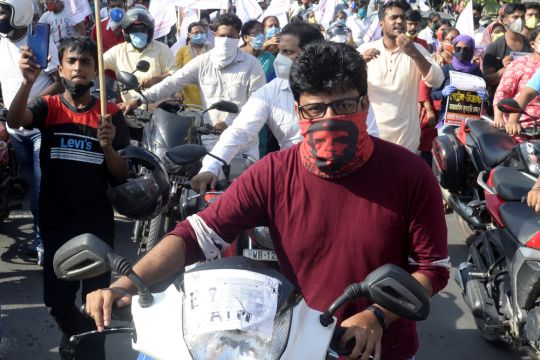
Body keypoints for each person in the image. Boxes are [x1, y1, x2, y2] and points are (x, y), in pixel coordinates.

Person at [86, 40, 449, 360]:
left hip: (379, 348)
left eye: (343, 106)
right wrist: (125, 284)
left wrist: (377, 316)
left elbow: (432, 268)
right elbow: (197, 234)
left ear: (365, 103)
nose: (330, 119)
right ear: (297, 112)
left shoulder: (409, 173)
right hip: (296, 343)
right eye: (315, 110)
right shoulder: (274, 172)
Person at [7, 36, 130, 360]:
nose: (78, 68)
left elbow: (121, 173)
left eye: (85, 63)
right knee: (58, 302)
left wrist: (107, 146)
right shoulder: (48, 107)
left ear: (95, 71)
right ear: (60, 68)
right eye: (72, 62)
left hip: (96, 225)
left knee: (97, 306)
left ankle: (90, 352)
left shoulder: (111, 114)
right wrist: (27, 84)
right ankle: (73, 334)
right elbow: (15, 121)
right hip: (56, 224)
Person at [191, 22, 376, 193]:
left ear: (310, 53)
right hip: (295, 182)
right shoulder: (271, 92)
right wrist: (210, 167)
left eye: (287, 52)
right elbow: (239, 131)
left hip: (349, 180)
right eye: (279, 51)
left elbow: (371, 135)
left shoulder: (342, 88)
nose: (279, 59)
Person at [120, 13, 266, 154]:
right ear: (215, 35)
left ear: (238, 38)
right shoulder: (202, 62)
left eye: (231, 36)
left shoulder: (252, 65)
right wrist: (138, 100)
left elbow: (256, 104)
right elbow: (172, 82)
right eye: (222, 35)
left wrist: (228, 122)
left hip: (243, 142)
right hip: (211, 139)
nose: (226, 40)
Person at [0, 0, 63, 266]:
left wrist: (28, 106)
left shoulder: (41, 38)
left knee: (40, 189)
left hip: (40, 127)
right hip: (14, 129)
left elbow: (59, 83)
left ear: (20, 11)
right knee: (31, 188)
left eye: (3, 10)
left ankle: (44, 244)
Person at [358, 0, 444, 153]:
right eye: (394, 18)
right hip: (371, 138)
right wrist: (359, 63)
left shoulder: (417, 49)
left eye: (403, 18)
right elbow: (343, 84)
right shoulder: (364, 50)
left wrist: (413, 53)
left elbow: (437, 80)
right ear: (381, 24)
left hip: (406, 142)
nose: (399, 21)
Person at [103, 6, 177, 102]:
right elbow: (98, 65)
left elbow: (175, 75)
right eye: (134, 31)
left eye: (142, 31)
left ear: (149, 32)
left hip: (159, 108)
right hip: (130, 110)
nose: (138, 33)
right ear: (126, 33)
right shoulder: (118, 51)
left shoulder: (162, 49)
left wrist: (155, 79)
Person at [430, 35, 486, 135]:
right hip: (448, 121)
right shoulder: (446, 69)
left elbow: (484, 96)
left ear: (472, 50)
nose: (462, 51)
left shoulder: (476, 71)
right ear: (454, 49)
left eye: (466, 49)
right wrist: (443, 93)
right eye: (458, 48)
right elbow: (434, 94)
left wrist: (484, 97)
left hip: (470, 122)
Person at [493, 27, 540, 135]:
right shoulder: (520, 64)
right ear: (533, 44)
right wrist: (502, 118)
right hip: (523, 128)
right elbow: (504, 92)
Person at [483, 4, 531, 91]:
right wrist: (505, 69)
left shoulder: (531, 45)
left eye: (522, 17)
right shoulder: (494, 47)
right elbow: (487, 80)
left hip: (528, 100)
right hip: (502, 100)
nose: (520, 21)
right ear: (505, 20)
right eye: (515, 17)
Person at [175, 21, 212, 107]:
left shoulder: (212, 49)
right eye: (196, 33)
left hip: (209, 92)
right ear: (189, 35)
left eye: (202, 32)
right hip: (190, 95)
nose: (199, 34)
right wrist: (178, 92)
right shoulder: (182, 51)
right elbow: (176, 73)